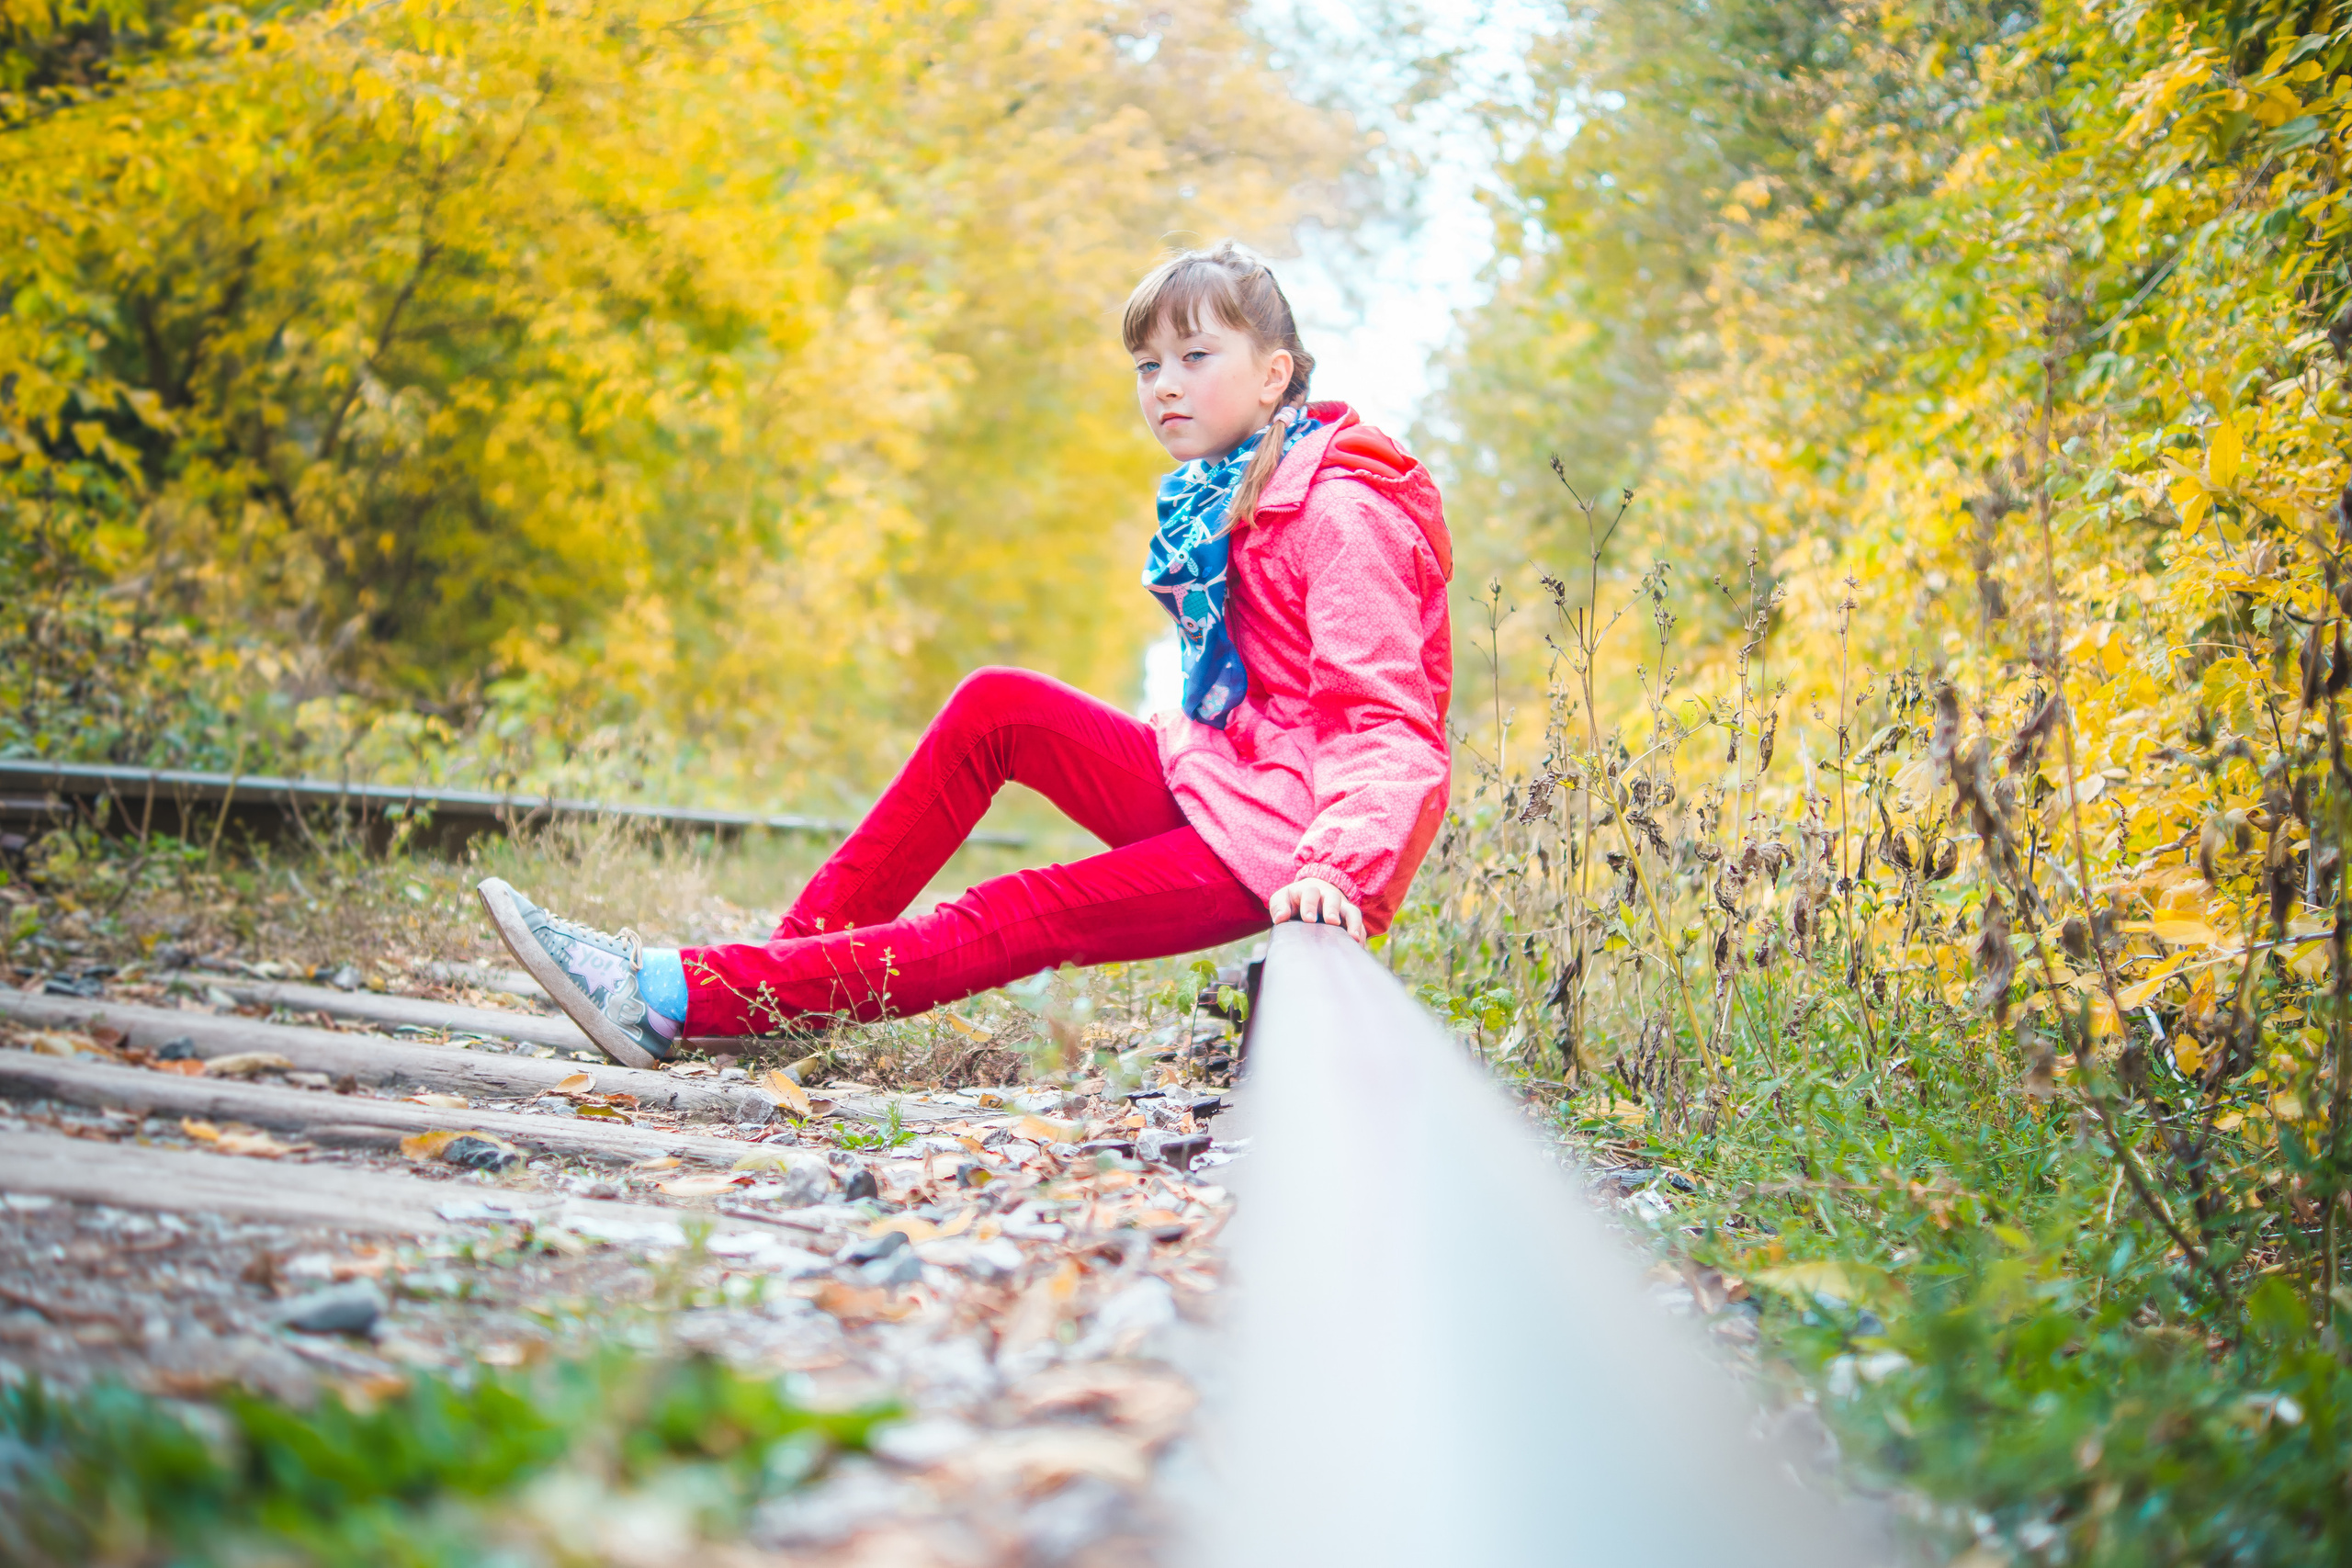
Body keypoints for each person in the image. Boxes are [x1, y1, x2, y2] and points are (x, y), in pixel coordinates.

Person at [477, 241, 1453, 1068]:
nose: (1163, 387)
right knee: (1002, 706)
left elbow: (1387, 725)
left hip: (1287, 845)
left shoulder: (1339, 509)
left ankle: (676, 996)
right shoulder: (1230, 494)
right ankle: (769, 996)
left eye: (1195, 356)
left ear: (1275, 374)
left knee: (1025, 907)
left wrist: (1339, 865)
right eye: (1146, 366)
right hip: (1233, 785)